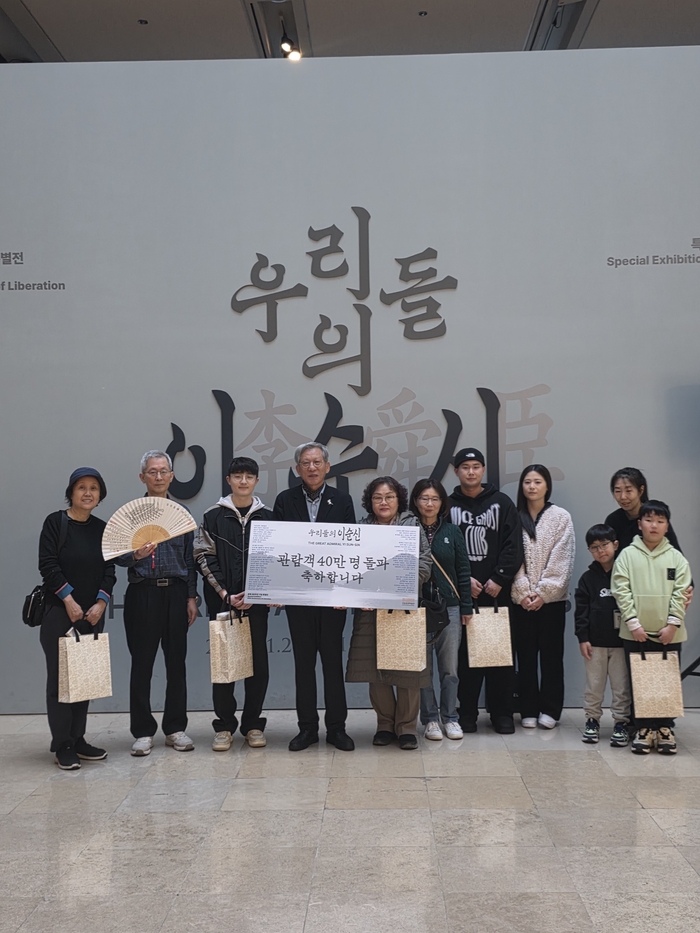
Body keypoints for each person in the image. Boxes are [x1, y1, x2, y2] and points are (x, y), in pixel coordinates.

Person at [272, 443, 356, 751]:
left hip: (333, 597)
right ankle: (307, 728)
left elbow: (351, 548)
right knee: (303, 664)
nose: (312, 467)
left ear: (327, 466)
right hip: (299, 596)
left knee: (332, 663)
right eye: (305, 463)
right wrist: (277, 588)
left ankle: (337, 728)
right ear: (297, 469)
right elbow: (277, 547)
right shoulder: (285, 500)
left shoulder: (342, 500)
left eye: (317, 462)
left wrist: (345, 591)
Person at [117, 451, 198, 756]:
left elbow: (190, 560)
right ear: (143, 477)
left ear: (172, 476)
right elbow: (115, 555)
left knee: (176, 663)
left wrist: (191, 597)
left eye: (164, 471)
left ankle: (175, 728)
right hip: (142, 593)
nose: (159, 476)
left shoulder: (182, 514)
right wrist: (134, 555)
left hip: (176, 593)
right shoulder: (131, 514)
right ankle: (142, 731)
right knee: (142, 664)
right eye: (152, 472)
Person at [38, 467, 116, 770]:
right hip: (60, 612)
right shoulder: (55, 523)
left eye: (94, 488)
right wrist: (69, 600)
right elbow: (48, 565)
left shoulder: (103, 529)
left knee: (84, 680)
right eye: (81, 487)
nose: (87, 493)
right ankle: (63, 745)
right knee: (60, 681)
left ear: (100, 495)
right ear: (71, 492)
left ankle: (78, 739)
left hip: (91, 615)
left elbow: (110, 570)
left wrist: (100, 603)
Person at [346, 476, 432, 749]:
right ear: (370, 502)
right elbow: (351, 568)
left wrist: (397, 585)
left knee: (407, 669)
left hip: (403, 608)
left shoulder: (412, 527)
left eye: (389, 497)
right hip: (369, 610)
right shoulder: (361, 529)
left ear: (399, 500)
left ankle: (406, 727)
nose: (383, 502)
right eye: (377, 497)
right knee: (375, 668)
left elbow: (425, 565)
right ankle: (384, 724)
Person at [195, 457, 273, 751]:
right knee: (224, 666)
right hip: (223, 603)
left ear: (256, 481)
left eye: (249, 476)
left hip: (257, 605)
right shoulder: (212, 516)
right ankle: (224, 726)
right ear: (228, 480)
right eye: (237, 476)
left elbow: (276, 559)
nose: (243, 481)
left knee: (258, 666)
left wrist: (259, 594)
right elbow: (203, 556)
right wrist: (225, 594)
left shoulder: (269, 517)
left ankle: (253, 724)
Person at [448, 448, 523, 734]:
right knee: (465, 658)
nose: (471, 471)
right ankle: (466, 712)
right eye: (465, 467)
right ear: (456, 470)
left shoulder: (501, 502)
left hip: (496, 593)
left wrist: (499, 578)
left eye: (476, 466)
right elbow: (443, 547)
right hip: (463, 594)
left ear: (483, 470)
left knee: (500, 655)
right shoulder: (447, 505)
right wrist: (463, 580)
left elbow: (514, 544)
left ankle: (502, 713)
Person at [611, 500, 692, 755]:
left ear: (667, 526)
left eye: (660, 521)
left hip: (670, 633)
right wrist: (633, 624)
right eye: (648, 520)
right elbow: (621, 590)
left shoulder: (676, 558)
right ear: (639, 524)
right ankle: (644, 728)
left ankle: (665, 728)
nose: (653, 525)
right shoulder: (627, 555)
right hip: (635, 632)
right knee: (640, 680)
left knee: (666, 681)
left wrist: (672, 624)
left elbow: (682, 592)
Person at [511, 464, 575, 729]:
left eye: (537, 482)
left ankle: (550, 709)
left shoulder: (561, 517)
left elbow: (563, 558)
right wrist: (523, 591)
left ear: (547, 485)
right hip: (521, 601)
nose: (532, 487)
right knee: (525, 656)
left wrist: (543, 592)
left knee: (551, 657)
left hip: (551, 602)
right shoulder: (515, 516)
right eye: (527, 482)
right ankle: (527, 708)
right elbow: (511, 555)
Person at [409, 479, 472, 740]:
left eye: (435, 499)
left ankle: (450, 717)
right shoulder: (408, 531)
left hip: (450, 607)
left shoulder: (452, 531)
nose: (429, 504)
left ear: (442, 503)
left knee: (450, 669)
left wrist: (466, 606)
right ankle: (430, 719)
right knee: (422, 669)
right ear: (415, 502)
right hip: (418, 608)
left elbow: (463, 570)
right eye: (424, 498)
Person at [574, 524, 631, 747]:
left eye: (604, 545)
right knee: (594, 686)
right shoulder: (587, 579)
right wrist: (583, 638)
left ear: (615, 545)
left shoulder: (626, 574)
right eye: (594, 547)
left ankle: (621, 723)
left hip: (621, 643)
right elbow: (581, 612)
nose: (600, 551)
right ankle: (592, 720)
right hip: (594, 644)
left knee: (621, 687)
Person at [606, 467, 681, 552]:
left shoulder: (655, 516)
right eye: (618, 491)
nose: (623, 497)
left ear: (641, 490)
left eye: (628, 491)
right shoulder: (613, 520)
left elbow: (675, 552)